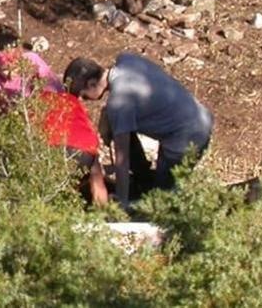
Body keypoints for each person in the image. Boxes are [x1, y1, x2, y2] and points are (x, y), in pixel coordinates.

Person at [65, 53, 214, 209]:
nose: (83, 101)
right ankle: (144, 180)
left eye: (84, 96)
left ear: (92, 83)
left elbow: (122, 160)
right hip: (201, 118)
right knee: (119, 126)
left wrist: (122, 201)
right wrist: (107, 118)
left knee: (160, 200)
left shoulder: (119, 103)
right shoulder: (126, 60)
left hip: (187, 137)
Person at [0, 24, 61, 127]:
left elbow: (56, 93)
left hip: (35, 123)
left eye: (15, 68)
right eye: (6, 70)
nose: (11, 75)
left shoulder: (32, 62)